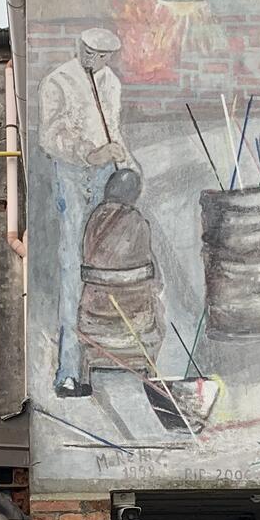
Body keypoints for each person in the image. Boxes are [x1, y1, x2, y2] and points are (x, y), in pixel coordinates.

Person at [38, 27, 133, 396]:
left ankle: (103, 359)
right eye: (89, 52)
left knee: (107, 264)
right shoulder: (57, 82)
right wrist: (88, 154)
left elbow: (114, 129)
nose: (94, 60)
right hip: (73, 176)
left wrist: (125, 161)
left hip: (106, 174)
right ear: (80, 48)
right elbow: (50, 137)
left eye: (102, 55)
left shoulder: (112, 83)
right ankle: (68, 371)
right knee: (73, 267)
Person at [75, 167, 164, 375]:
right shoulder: (138, 222)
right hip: (132, 320)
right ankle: (148, 367)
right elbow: (152, 275)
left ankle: (89, 369)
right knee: (157, 305)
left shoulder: (94, 220)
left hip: (94, 317)